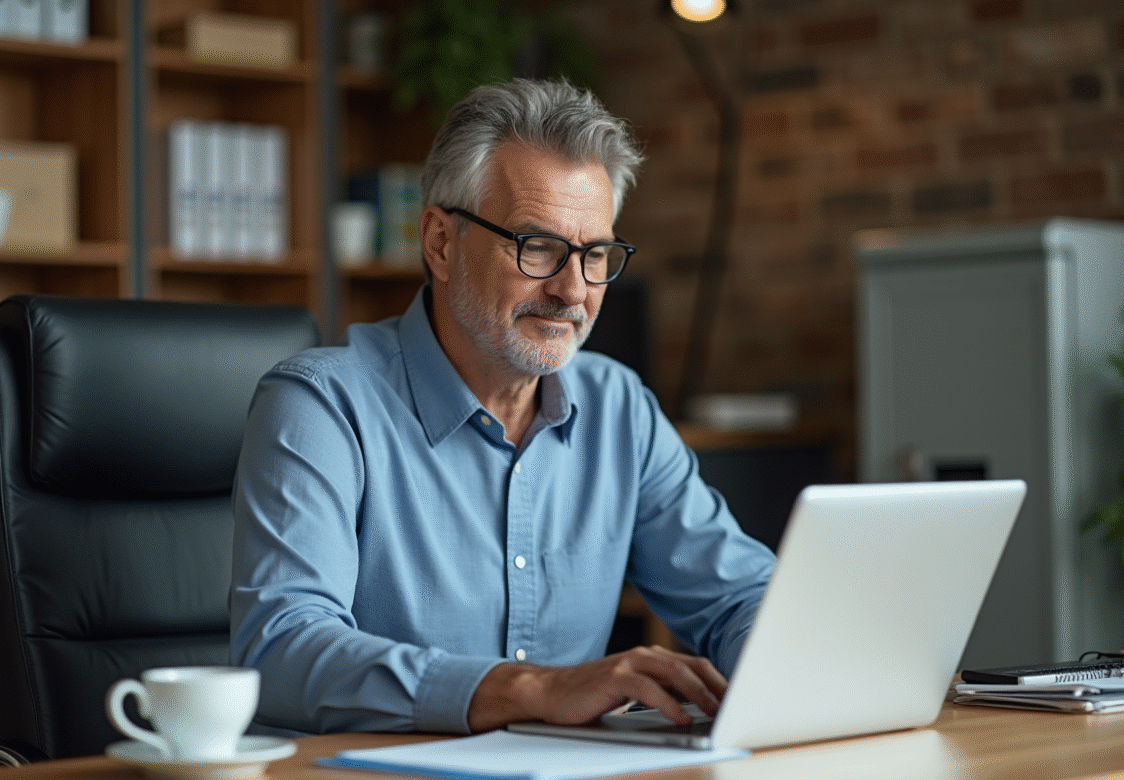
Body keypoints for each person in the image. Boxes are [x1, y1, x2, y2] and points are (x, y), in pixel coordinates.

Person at [230, 79, 776, 736]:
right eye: (537, 246)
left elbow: (738, 597)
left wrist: (795, 660)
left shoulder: (618, 407)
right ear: (439, 242)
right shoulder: (322, 406)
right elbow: (281, 650)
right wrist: (530, 690)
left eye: (596, 254)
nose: (573, 289)